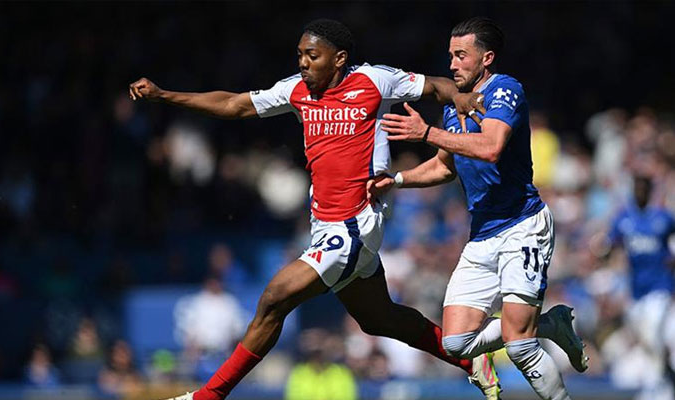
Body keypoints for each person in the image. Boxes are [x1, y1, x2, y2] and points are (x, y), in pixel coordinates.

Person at [130, 19, 500, 400]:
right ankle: (473, 360)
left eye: (312, 55)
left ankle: (208, 396)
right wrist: (164, 95)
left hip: (356, 222)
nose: (304, 63)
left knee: (275, 297)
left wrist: (457, 96)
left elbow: (435, 85)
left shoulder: (374, 80)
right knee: (379, 319)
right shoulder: (296, 90)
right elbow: (234, 104)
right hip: (325, 225)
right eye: (300, 55)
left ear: (338, 58)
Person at [371, 17, 589, 400]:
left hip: (523, 226)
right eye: (450, 56)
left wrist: (424, 132)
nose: (452, 64)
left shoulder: (505, 89)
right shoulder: (454, 109)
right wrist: (399, 180)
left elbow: (490, 148)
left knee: (519, 346)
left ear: (486, 58)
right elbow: (442, 166)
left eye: (461, 55)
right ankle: (551, 324)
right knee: (456, 344)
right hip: (482, 234)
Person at [605, 175, 675, 397]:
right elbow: (609, 244)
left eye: (644, 189)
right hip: (636, 289)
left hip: (660, 286)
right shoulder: (624, 218)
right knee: (645, 339)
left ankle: (657, 386)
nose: (640, 193)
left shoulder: (663, 218)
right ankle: (662, 379)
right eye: (637, 189)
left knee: (653, 332)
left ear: (650, 191)